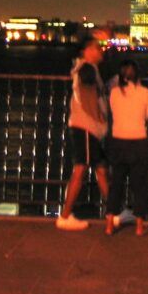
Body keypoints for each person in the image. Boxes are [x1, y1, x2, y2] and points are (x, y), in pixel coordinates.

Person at [57, 36, 109, 231]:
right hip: (86, 127)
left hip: (92, 129)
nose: (101, 50)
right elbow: (88, 96)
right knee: (80, 169)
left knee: (102, 169)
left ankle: (115, 212)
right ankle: (65, 216)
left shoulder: (88, 69)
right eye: (97, 47)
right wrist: (100, 118)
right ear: (86, 51)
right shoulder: (87, 69)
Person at [105, 59, 148, 236]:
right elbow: (147, 115)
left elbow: (113, 111)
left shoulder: (114, 93)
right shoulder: (145, 93)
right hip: (138, 141)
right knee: (139, 185)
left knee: (116, 184)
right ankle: (139, 226)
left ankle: (109, 224)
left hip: (118, 142)